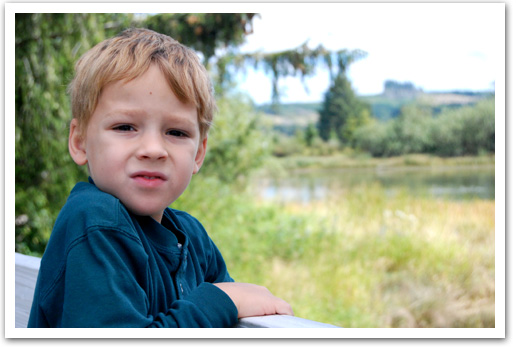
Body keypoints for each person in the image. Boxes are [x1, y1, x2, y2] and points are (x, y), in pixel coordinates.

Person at [27, 28, 293, 328]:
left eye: (176, 132)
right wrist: (221, 301)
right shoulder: (95, 222)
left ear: (198, 153)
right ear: (79, 141)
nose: (153, 150)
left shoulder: (193, 239)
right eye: (125, 127)